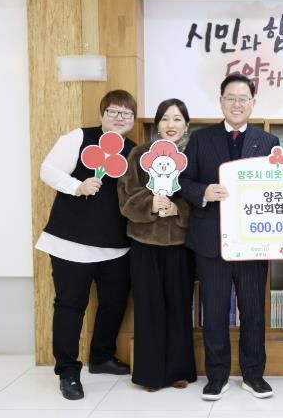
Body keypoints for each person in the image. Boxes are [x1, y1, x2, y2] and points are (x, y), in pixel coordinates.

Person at [179, 74, 279, 401]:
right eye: (231, 98)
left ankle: (254, 375)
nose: (237, 104)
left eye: (243, 98)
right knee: (215, 312)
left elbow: (277, 188)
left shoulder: (268, 142)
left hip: (252, 242)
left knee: (253, 312)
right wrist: (204, 192)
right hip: (212, 241)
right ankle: (217, 376)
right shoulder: (200, 139)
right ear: (221, 101)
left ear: (253, 103)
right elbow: (184, 182)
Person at [35, 90, 136, 400]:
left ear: (133, 120)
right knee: (70, 307)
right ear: (102, 113)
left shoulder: (133, 151)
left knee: (114, 303)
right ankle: (68, 371)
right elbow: (48, 170)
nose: (119, 117)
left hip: (116, 247)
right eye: (113, 111)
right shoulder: (79, 137)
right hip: (70, 244)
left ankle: (102, 356)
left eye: (126, 113)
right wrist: (76, 186)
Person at [117, 98, 197, 392]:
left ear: (186, 125)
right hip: (144, 243)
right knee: (148, 308)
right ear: (157, 124)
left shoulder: (194, 155)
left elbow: (202, 197)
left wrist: (180, 209)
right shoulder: (139, 154)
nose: (171, 124)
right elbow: (126, 195)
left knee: (179, 306)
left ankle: (178, 370)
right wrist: (150, 203)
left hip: (181, 244)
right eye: (165, 119)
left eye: (177, 119)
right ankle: (150, 374)